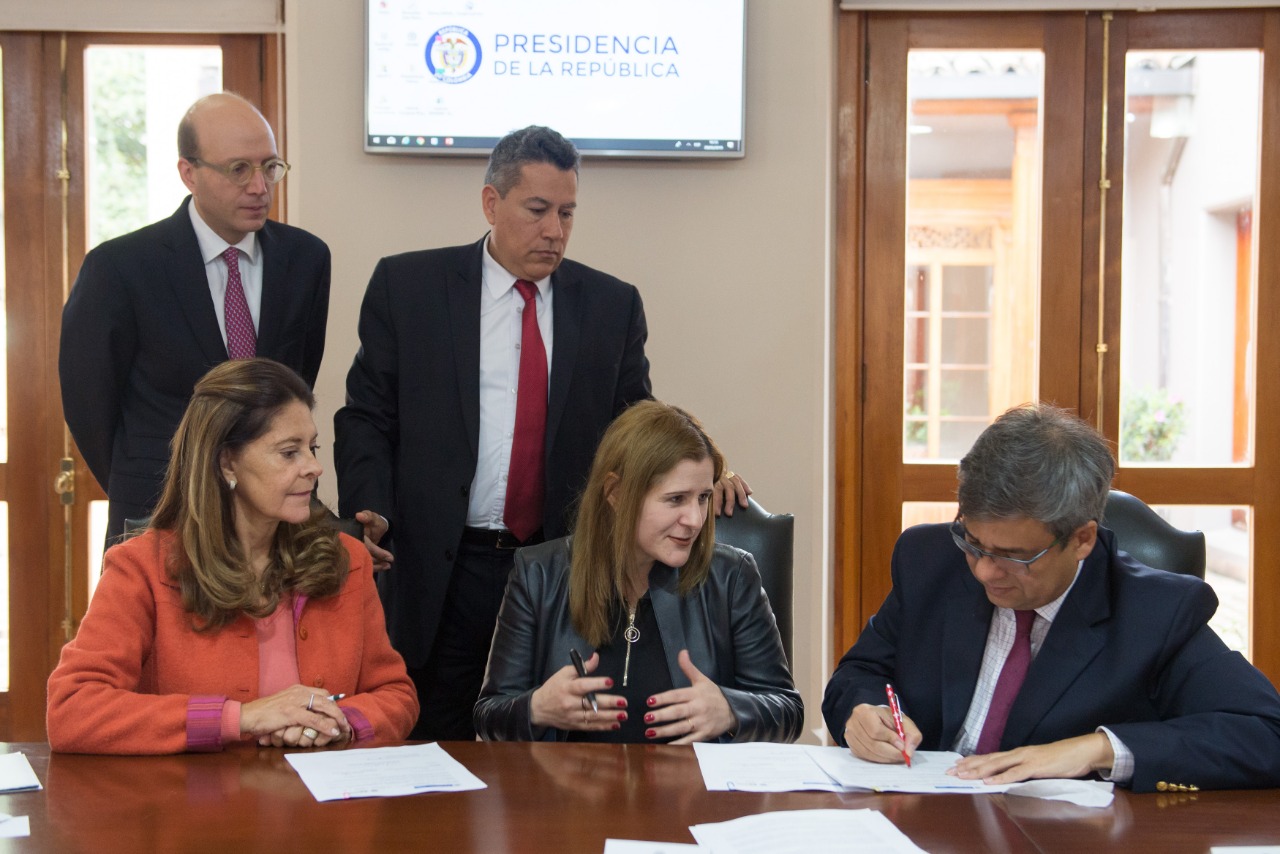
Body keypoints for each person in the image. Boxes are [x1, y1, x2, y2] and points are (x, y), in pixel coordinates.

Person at [335, 125, 749, 741]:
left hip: (562, 568)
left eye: (567, 212)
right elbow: (366, 414)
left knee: (553, 739)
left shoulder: (610, 305)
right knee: (436, 743)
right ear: (491, 204)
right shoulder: (410, 289)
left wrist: (706, 470)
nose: (555, 229)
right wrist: (368, 509)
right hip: (443, 567)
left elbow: (638, 423)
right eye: (537, 211)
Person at [822, 403, 1280, 792]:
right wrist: (862, 711)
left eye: (1013, 556)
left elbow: (1266, 734)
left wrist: (1099, 748)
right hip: (921, 820)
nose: (984, 570)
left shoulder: (1155, 612)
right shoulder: (929, 560)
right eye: (974, 543)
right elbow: (861, 672)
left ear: (1082, 539)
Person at [47, 359, 417, 754]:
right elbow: (72, 709)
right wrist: (242, 717)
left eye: (312, 448)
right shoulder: (141, 568)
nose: (314, 467)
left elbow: (396, 694)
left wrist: (339, 724)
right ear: (226, 462)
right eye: (289, 452)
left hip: (321, 807)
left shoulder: (348, 559)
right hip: (194, 809)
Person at [60, 92, 331, 547]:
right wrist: (151, 477)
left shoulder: (306, 259)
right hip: (161, 510)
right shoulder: (121, 267)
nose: (260, 187)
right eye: (238, 169)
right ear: (189, 172)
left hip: (272, 517)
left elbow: (294, 385)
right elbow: (90, 407)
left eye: (270, 167)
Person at [474, 400, 801, 743]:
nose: (695, 519)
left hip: (692, 792)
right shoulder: (539, 575)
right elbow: (489, 715)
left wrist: (730, 710)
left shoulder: (732, 577)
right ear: (615, 493)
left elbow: (786, 710)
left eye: (703, 497)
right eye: (676, 499)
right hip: (571, 792)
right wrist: (536, 708)